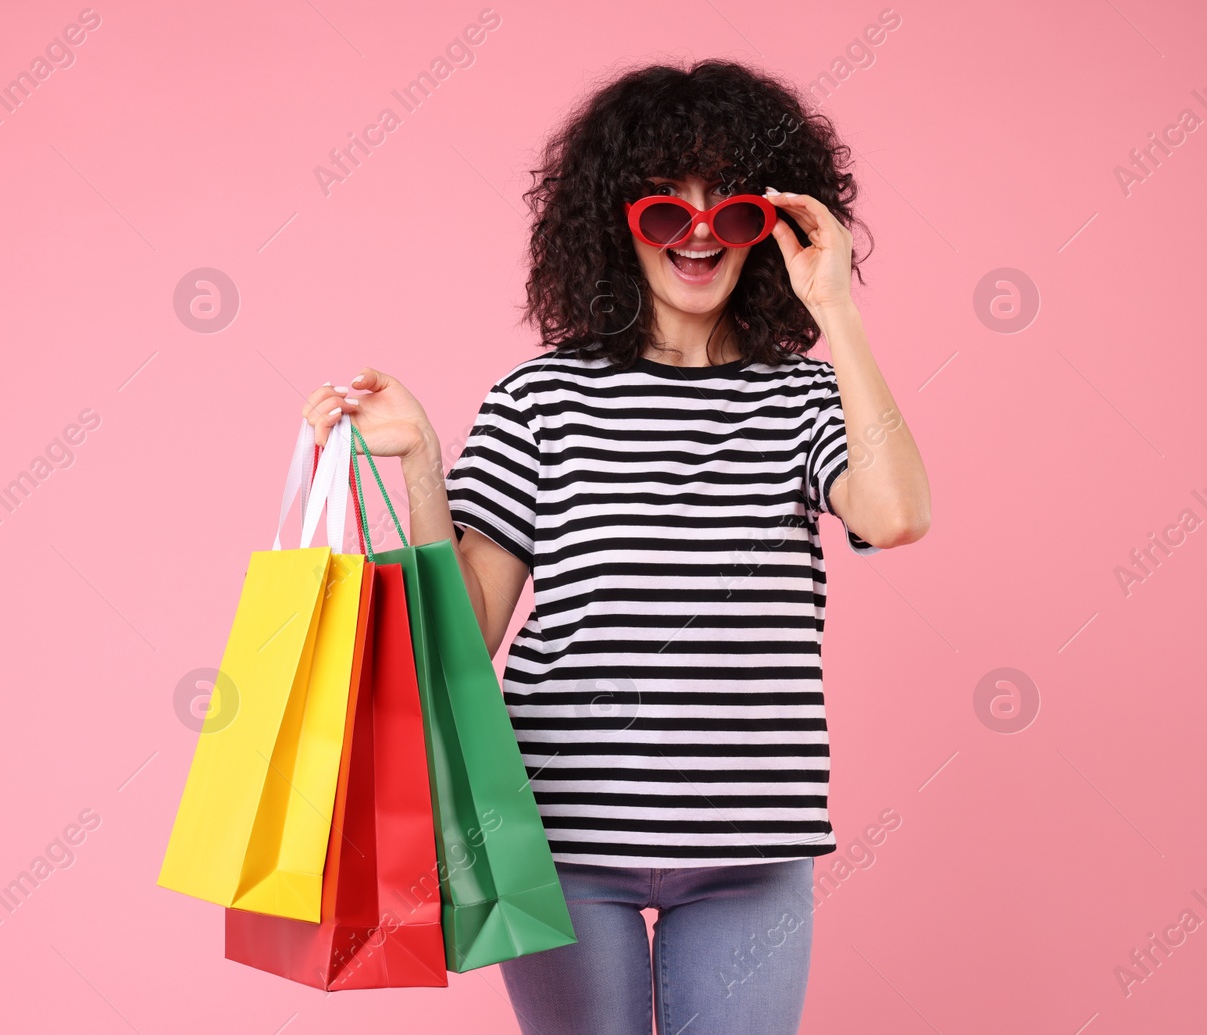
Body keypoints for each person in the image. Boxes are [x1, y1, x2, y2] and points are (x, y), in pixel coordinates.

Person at [299, 58, 930, 1035]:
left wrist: (834, 307)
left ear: (770, 227)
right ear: (615, 224)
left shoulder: (805, 398)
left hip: (751, 844)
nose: (698, 236)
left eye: (731, 212)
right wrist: (423, 462)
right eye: (664, 214)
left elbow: (893, 514)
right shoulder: (540, 398)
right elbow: (464, 632)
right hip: (559, 836)